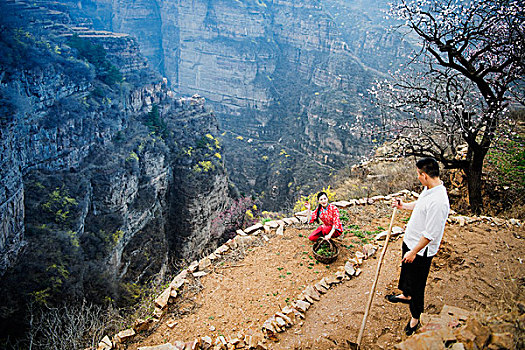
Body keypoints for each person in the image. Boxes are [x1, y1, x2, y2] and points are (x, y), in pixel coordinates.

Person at [386, 157, 450, 336]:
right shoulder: (429, 189)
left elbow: (431, 234)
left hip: (421, 251)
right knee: (406, 273)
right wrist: (403, 206)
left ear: (425, 175)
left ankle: (415, 317)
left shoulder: (440, 202)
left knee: (418, 284)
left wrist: (414, 251)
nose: (417, 177)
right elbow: (420, 205)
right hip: (411, 241)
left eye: (418, 175)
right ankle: (406, 295)